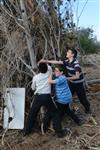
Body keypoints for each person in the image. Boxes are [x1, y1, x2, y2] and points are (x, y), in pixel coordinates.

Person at [40, 48, 91, 113]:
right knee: (67, 96)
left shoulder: (76, 64)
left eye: (68, 52)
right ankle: (66, 111)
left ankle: (87, 108)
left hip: (79, 84)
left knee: (82, 98)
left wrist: (66, 78)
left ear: (72, 55)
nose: (67, 53)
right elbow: (57, 62)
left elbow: (77, 76)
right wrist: (46, 61)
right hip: (71, 83)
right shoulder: (67, 61)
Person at [24, 62, 66, 138]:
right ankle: (59, 132)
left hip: (38, 97)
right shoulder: (49, 74)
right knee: (54, 113)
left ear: (39, 70)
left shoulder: (36, 77)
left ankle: (26, 131)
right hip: (47, 97)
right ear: (47, 68)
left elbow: (33, 88)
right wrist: (43, 62)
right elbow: (48, 67)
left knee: (32, 114)